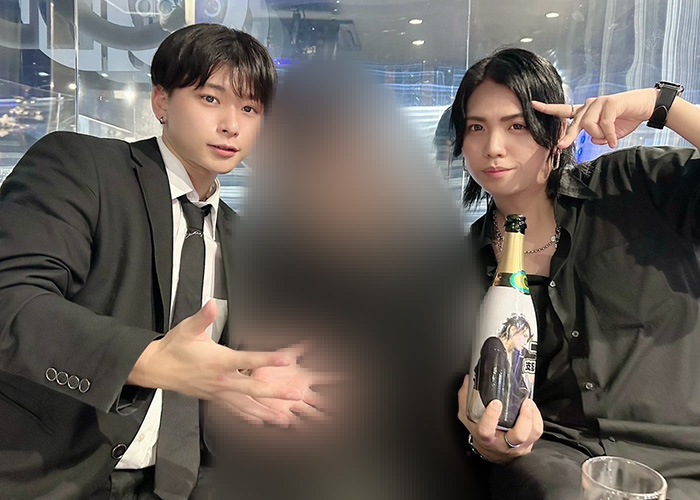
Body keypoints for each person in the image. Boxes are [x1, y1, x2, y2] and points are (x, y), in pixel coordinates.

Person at [0, 24, 314, 500]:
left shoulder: (246, 243)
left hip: (183, 482)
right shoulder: (83, 167)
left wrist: (247, 387)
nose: (231, 124)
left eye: (250, 108)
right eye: (210, 99)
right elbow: (11, 298)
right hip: (53, 475)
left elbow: (209, 374)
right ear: (161, 101)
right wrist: (145, 359)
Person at [452, 47, 700, 499]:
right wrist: (487, 441)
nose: (494, 147)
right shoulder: (462, 268)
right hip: (561, 461)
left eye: (517, 125)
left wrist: (661, 105)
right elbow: (472, 395)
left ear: (555, 129)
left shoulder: (631, 186)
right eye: (476, 127)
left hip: (685, 456)